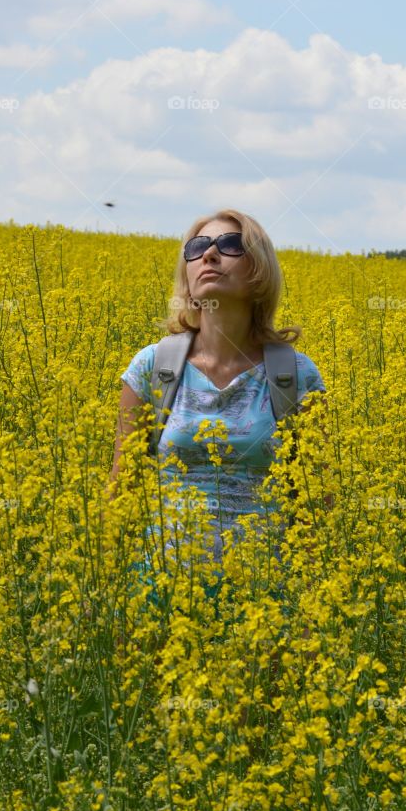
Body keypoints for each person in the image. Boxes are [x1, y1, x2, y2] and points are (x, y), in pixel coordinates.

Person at [105, 210, 328, 641]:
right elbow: (122, 489)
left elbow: (314, 504)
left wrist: (313, 609)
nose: (209, 254)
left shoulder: (297, 378)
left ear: (259, 269)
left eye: (229, 245)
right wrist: (104, 590)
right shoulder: (152, 368)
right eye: (197, 248)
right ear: (187, 274)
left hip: (264, 602)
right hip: (160, 596)